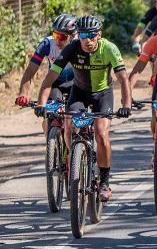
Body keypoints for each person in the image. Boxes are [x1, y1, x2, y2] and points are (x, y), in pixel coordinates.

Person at [36, 15, 132, 202]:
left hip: (102, 93)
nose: (88, 40)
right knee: (70, 127)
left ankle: (104, 182)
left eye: (92, 35)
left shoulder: (109, 48)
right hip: (79, 92)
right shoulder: (72, 49)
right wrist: (41, 103)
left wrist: (126, 105)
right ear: (77, 36)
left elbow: (123, 78)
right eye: (83, 35)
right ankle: (75, 163)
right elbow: (50, 78)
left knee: (101, 132)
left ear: (99, 35)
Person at [16, 15, 77, 116]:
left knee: (74, 119)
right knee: (50, 116)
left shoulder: (79, 44)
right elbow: (30, 70)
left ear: (72, 36)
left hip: (76, 83)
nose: (58, 40)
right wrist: (23, 93)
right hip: (55, 83)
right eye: (55, 35)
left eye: (62, 37)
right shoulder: (47, 44)